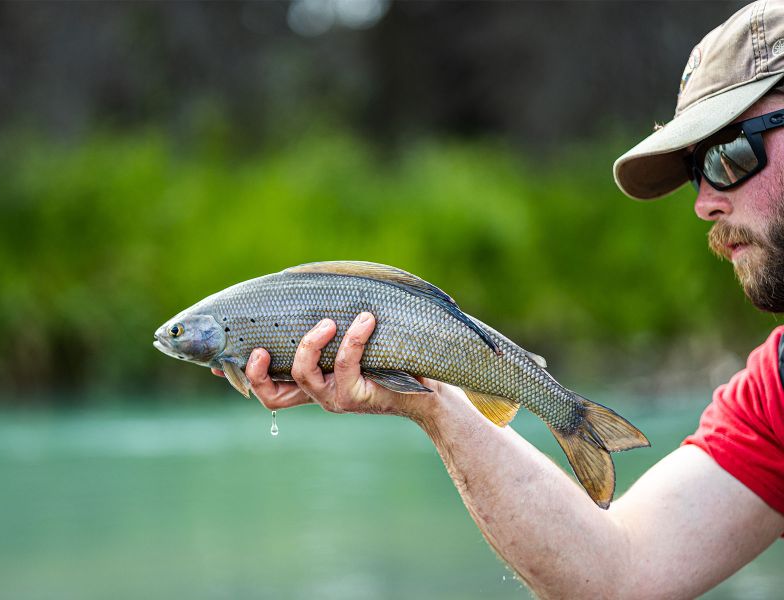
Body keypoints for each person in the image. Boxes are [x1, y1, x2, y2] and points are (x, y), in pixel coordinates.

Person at [217, 2, 784, 597]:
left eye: (728, 155)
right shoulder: (775, 390)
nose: (704, 203)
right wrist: (431, 399)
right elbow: (619, 577)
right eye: (698, 170)